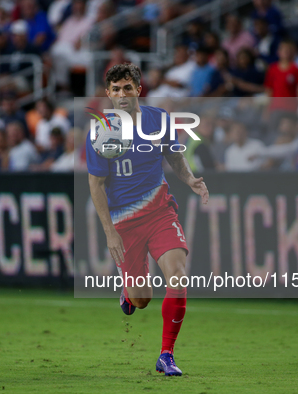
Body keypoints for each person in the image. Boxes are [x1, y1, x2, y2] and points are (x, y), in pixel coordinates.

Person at [86, 63, 209, 376]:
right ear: (108, 94)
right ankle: (129, 292)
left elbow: (173, 156)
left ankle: (166, 354)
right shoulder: (100, 131)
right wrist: (110, 233)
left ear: (138, 89)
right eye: (116, 89)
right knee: (142, 300)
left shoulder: (159, 119)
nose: (122, 94)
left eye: (128, 87)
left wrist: (191, 179)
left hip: (159, 212)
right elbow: (96, 185)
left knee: (178, 277)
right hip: (124, 223)